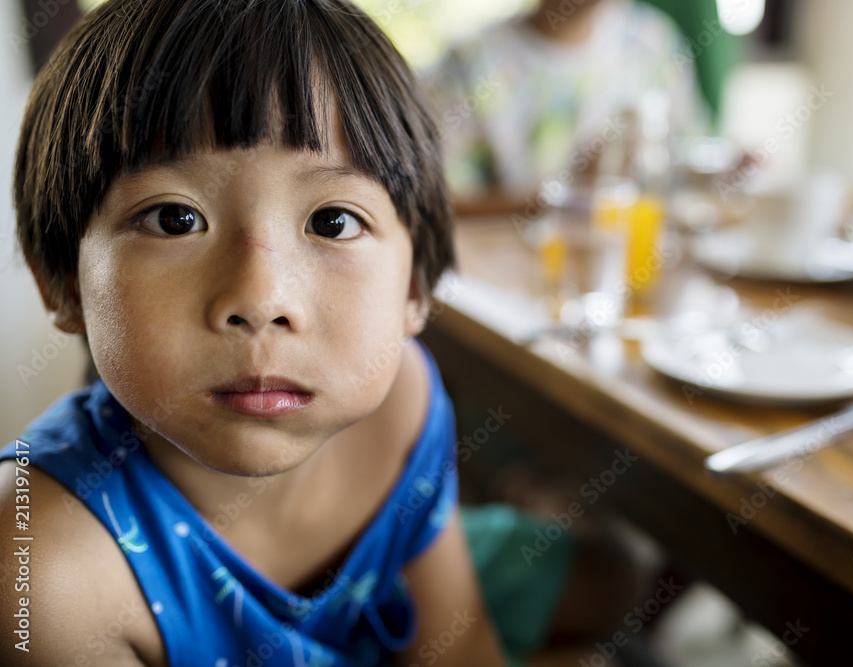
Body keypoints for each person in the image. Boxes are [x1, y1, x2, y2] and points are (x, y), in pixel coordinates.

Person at [0, 1, 641, 665]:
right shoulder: (40, 572)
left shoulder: (403, 397)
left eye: (333, 221)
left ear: (416, 288)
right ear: (62, 280)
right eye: (173, 219)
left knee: (620, 578)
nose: (260, 298)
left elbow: (459, 648)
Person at [424, 0, 705, 216]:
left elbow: (692, 154)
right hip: (508, 275)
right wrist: (571, 194)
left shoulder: (653, 43)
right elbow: (436, 203)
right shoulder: (472, 63)